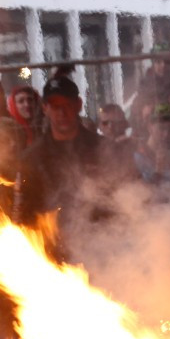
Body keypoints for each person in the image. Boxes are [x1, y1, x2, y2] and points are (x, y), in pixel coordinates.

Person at [17, 76, 103, 228]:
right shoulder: (32, 158)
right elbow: (24, 213)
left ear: (78, 105)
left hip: (102, 241)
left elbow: (124, 200)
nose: (62, 113)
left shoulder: (103, 149)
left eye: (67, 105)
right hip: (50, 245)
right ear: (45, 108)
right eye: (56, 106)